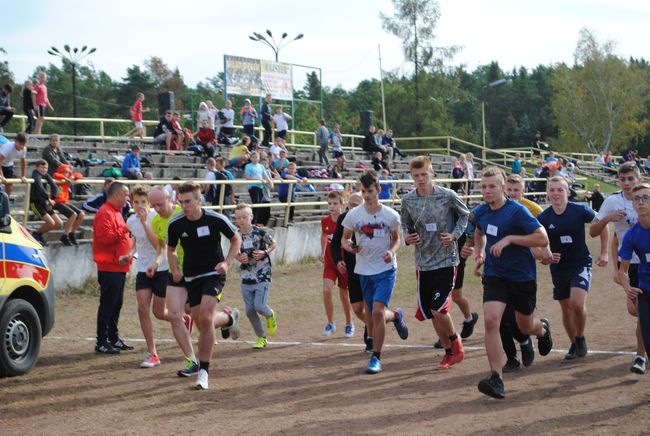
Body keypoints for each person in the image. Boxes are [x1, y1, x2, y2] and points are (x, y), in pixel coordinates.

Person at [473, 166, 553, 399]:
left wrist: (510, 239)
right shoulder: (481, 212)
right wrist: (480, 253)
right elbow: (479, 232)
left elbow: (542, 237)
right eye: (484, 187)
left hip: (522, 277)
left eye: (492, 187)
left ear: (503, 188)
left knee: (524, 327)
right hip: (496, 275)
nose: (487, 191)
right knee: (491, 320)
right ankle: (496, 378)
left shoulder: (517, 212)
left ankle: (543, 328)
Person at [167, 181, 242, 390]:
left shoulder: (215, 219)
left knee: (206, 316)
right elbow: (171, 249)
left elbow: (236, 239)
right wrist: (175, 269)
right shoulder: (176, 224)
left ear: (199, 200)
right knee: (199, 319)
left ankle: (203, 372)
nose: (184, 206)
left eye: (188, 201)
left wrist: (226, 263)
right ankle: (229, 318)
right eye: (181, 202)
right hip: (191, 278)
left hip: (213, 274)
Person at [401, 156, 469, 369]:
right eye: (416, 176)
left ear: (432, 174)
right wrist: (407, 237)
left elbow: (465, 216)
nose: (420, 179)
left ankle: (456, 345)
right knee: (431, 312)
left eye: (424, 174)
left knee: (439, 308)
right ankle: (449, 353)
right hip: (423, 263)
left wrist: (455, 235)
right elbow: (405, 224)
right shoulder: (408, 201)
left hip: (447, 260)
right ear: (412, 177)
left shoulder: (448, 196)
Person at [342, 170, 409, 374]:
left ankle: (376, 357)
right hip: (363, 270)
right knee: (373, 314)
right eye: (363, 191)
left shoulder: (391, 216)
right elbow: (344, 239)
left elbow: (397, 238)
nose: (367, 195)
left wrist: (391, 251)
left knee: (377, 312)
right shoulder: (353, 215)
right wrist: (350, 248)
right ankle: (396, 316)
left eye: (370, 191)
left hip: (386, 269)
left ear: (379, 190)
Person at [537, 176, 608, 360]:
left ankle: (580, 336)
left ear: (567, 192)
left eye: (560, 190)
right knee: (566, 308)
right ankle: (573, 344)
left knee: (577, 304)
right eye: (552, 190)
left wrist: (604, 252)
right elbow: (537, 243)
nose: (556, 193)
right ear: (547, 193)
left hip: (580, 263)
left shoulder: (579, 210)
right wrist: (546, 255)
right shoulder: (543, 218)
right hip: (559, 268)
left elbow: (602, 225)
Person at [589, 162, 647, 374]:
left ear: (638, 179)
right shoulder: (613, 201)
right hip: (630, 263)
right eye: (623, 179)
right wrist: (607, 219)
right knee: (636, 310)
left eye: (631, 179)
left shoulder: (646, 198)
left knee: (642, 311)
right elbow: (595, 232)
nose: (626, 183)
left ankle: (640, 355)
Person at [148, 187, 197, 376]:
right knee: (175, 314)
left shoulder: (183, 212)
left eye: (159, 204)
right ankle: (192, 360)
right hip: (175, 272)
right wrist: (156, 263)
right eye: (154, 205)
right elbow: (162, 248)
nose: (157, 209)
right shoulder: (155, 221)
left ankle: (228, 318)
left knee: (197, 314)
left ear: (170, 199)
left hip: (196, 271)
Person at [499, 173, 544, 371]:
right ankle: (511, 358)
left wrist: (544, 252)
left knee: (518, 320)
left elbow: (543, 236)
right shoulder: (496, 207)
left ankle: (538, 331)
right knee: (500, 318)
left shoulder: (532, 210)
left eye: (516, 190)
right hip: (498, 269)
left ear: (523, 191)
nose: (512, 193)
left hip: (522, 270)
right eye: (509, 189)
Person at [125, 185, 170, 368]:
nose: (140, 205)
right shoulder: (130, 220)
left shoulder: (155, 218)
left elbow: (157, 246)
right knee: (142, 309)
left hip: (162, 268)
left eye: (143, 202)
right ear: (131, 201)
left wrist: (145, 222)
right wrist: (129, 253)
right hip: (143, 269)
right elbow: (138, 241)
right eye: (136, 202)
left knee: (159, 313)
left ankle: (183, 318)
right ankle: (153, 353)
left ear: (149, 202)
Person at [93, 181, 134, 354]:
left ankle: (113, 337)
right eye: (126, 195)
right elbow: (105, 239)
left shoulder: (115, 212)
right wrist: (125, 229)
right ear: (116, 195)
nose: (128, 198)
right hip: (110, 267)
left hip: (118, 267)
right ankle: (102, 341)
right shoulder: (105, 213)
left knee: (116, 304)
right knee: (108, 304)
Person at [233, 203, 278, 349]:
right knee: (249, 310)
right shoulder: (236, 235)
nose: (241, 220)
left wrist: (265, 252)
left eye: (244, 217)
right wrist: (239, 258)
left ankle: (270, 315)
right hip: (246, 275)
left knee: (259, 306)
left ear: (251, 217)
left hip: (262, 274)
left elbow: (273, 243)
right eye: (238, 217)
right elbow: (234, 252)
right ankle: (261, 337)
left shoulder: (260, 232)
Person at [618, 183, 650, 378]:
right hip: (646, 290)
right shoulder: (632, 235)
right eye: (637, 198)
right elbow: (622, 271)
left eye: (646, 197)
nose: (641, 202)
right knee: (648, 339)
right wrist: (628, 287)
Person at [320, 191, 354, 337]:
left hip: (344, 262)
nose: (332, 206)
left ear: (342, 205)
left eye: (335, 204)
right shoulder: (325, 221)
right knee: (327, 290)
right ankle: (330, 323)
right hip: (330, 262)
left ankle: (349, 323)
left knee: (343, 293)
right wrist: (322, 252)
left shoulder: (346, 221)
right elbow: (324, 235)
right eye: (329, 204)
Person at [29, 159, 61, 246]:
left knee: (59, 223)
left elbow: (55, 187)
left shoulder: (45, 174)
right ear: (37, 167)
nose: (44, 170)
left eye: (46, 168)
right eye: (42, 167)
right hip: (34, 203)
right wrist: (48, 198)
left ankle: (39, 234)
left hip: (44, 203)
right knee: (51, 223)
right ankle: (36, 234)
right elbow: (39, 187)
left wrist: (52, 200)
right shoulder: (35, 174)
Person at [52, 163, 84, 246]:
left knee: (81, 214)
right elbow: (55, 175)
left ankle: (72, 234)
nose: (66, 173)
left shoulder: (68, 178)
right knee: (73, 214)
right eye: (64, 172)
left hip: (65, 202)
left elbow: (79, 175)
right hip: (57, 202)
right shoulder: (58, 178)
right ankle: (65, 235)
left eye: (67, 172)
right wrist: (65, 178)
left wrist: (72, 177)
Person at [245, 151, 274, 225]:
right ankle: (253, 221)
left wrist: (270, 181)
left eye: (256, 157)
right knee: (256, 203)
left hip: (260, 187)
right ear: (251, 158)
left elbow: (265, 175)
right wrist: (257, 180)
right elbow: (247, 177)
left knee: (259, 204)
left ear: (258, 158)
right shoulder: (248, 166)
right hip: (253, 187)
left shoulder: (261, 166)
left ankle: (255, 221)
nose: (255, 159)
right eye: (253, 157)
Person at [0, 132, 28, 197]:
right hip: (1, 164)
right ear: (15, 141)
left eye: (23, 144)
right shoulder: (9, 147)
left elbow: (23, 162)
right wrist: (1, 175)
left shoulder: (24, 149)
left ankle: (6, 203)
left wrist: (23, 176)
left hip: (9, 165)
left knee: (9, 187)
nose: (21, 146)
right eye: (20, 144)